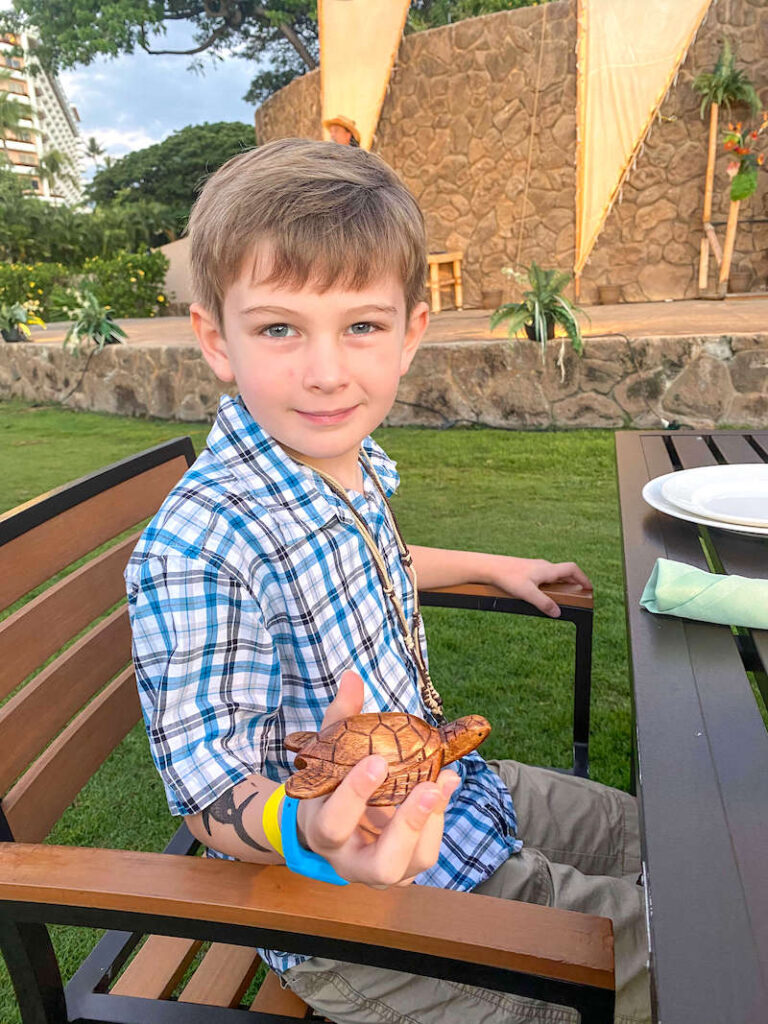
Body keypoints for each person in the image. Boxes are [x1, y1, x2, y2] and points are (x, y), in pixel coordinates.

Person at [125, 138, 650, 1024]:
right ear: (218, 340)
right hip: (363, 918)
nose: (327, 371)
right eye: (279, 328)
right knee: (718, 944)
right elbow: (211, 788)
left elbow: (367, 564)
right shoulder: (200, 545)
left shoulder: (341, 466)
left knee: (677, 839)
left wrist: (488, 564)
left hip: (461, 792)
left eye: (361, 325)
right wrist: (311, 826)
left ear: (410, 334)